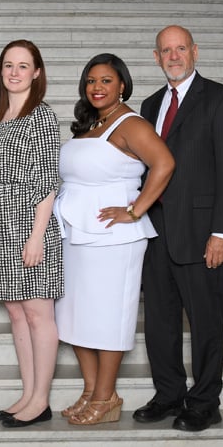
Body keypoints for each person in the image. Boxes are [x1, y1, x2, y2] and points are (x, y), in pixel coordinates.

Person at [133, 25, 223, 432]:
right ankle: (168, 394)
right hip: (156, 232)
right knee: (160, 321)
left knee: (205, 321)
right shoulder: (148, 105)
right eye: (166, 50)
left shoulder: (221, 98)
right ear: (156, 56)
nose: (174, 56)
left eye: (181, 48)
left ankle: (204, 402)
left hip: (202, 233)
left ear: (195, 52)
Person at [53, 53, 175, 426]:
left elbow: (164, 163)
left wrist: (135, 210)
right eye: (91, 81)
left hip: (114, 238)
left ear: (122, 85)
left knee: (107, 317)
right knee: (73, 316)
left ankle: (106, 397)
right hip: (75, 231)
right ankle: (92, 391)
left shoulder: (131, 123)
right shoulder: (91, 123)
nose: (97, 87)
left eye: (106, 80)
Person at [0, 39, 63, 429]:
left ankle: (41, 401)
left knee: (38, 312)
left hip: (28, 220)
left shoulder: (40, 116)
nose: (14, 72)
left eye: (23, 66)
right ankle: (28, 394)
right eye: (8, 65)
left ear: (37, 73)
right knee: (16, 311)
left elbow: (47, 180)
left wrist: (37, 235)